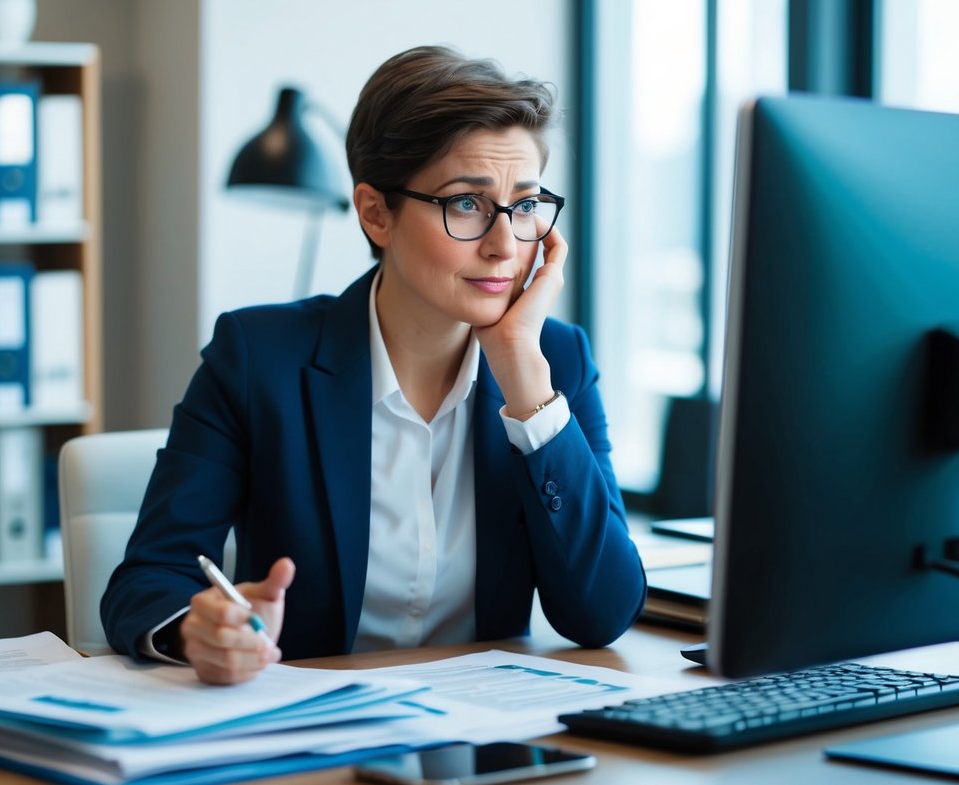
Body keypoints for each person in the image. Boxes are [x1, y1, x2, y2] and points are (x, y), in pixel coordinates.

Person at [101, 45, 646, 685]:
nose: (504, 245)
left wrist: (525, 378)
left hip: (482, 742)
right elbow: (147, 578)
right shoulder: (257, 358)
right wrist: (197, 629)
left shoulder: (556, 363)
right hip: (312, 741)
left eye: (524, 206)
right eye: (466, 203)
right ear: (375, 212)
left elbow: (601, 612)